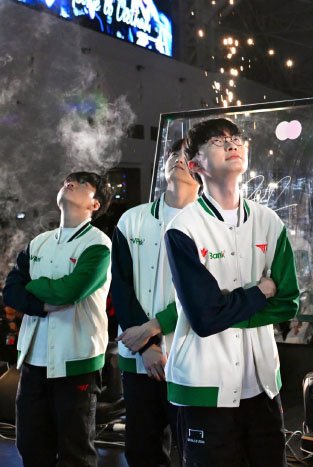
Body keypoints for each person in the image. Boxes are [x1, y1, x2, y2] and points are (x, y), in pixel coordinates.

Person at [164, 118, 299, 466]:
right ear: (195, 165)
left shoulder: (269, 221)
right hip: (203, 384)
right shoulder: (183, 228)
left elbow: (288, 302)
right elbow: (204, 318)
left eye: (236, 138)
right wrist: (259, 292)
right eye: (217, 141)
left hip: (262, 383)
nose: (231, 144)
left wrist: (225, 307)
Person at [3, 172, 113, 467]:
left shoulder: (99, 244)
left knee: (75, 451)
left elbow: (69, 291)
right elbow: (11, 292)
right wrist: (44, 302)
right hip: (33, 360)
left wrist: (32, 288)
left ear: (95, 204)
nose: (69, 183)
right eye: (68, 180)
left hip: (76, 360)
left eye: (81, 183)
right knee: (30, 446)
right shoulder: (39, 242)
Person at [111, 138, 200, 466]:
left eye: (187, 156)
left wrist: (154, 329)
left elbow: (206, 294)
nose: (178, 159)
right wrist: (147, 346)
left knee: (195, 450)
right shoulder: (131, 219)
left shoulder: (211, 222)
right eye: (174, 153)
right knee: (141, 450)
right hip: (138, 359)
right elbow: (120, 287)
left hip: (192, 355)